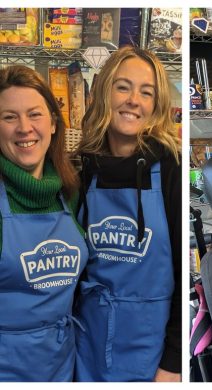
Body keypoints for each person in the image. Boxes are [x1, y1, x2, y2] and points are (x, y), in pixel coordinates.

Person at [74, 46, 181, 382]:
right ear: (105, 92)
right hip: (85, 347)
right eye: (123, 87)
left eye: (146, 92)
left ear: (156, 105)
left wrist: (173, 364)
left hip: (151, 355)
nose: (134, 100)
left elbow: (184, 274)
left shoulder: (170, 169)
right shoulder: (81, 168)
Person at [0, 65, 88, 381]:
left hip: (62, 363)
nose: (25, 128)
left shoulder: (70, 193)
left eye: (34, 114)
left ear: (52, 123)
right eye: (9, 117)